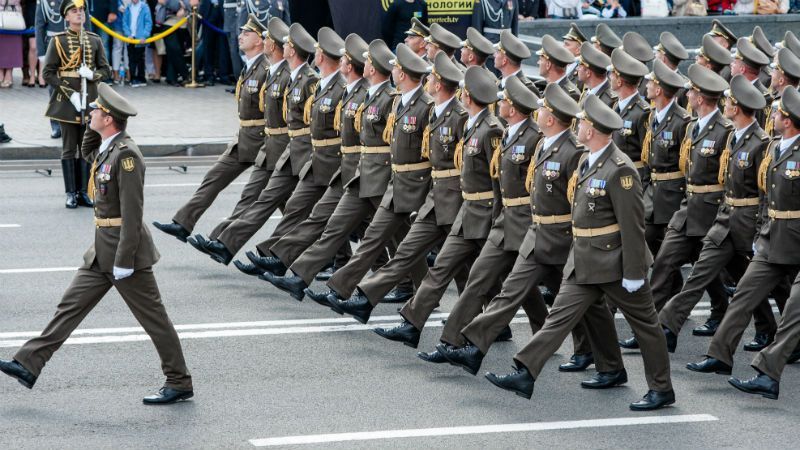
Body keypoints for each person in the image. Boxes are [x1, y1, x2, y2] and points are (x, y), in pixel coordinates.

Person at [0, 83, 194, 404]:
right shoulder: (108, 148)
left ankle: (179, 380)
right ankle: (28, 363)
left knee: (154, 319)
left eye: (96, 111)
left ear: (109, 119)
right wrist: (89, 122)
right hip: (100, 251)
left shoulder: (127, 156)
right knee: (69, 307)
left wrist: (124, 258)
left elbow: (133, 213)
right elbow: (86, 150)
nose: (90, 112)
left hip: (124, 253)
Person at [485, 94, 675, 412]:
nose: (580, 126)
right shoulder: (590, 158)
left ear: (595, 129)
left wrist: (632, 273)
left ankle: (661, 388)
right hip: (585, 258)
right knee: (557, 319)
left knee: (646, 326)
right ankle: (526, 372)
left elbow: (633, 226)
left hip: (616, 264)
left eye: (584, 122)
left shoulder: (620, 170)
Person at [433, 82, 584, 375]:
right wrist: (496, 218)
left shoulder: (545, 142)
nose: (498, 102)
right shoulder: (520, 137)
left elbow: (567, 198)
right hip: (509, 222)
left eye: (504, 100)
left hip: (546, 229)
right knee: (488, 279)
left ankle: (595, 353)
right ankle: (455, 342)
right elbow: (500, 183)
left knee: (574, 295)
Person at [338, 65, 502, 329]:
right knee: (409, 253)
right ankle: (366, 299)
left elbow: (486, 175)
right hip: (435, 199)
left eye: (433, 78)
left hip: (462, 203)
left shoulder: (465, 118)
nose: (428, 81)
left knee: (472, 270)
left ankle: (496, 322)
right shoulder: (440, 113)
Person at [194, 26, 347, 268]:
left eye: (286, 44)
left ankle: (337, 261)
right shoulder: (298, 79)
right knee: (291, 206)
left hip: (315, 154)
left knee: (348, 218)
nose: (280, 45)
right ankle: (255, 252)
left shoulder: (312, 81)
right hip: (291, 149)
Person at [686, 85, 800, 377]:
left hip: (796, 238)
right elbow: (767, 194)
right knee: (744, 295)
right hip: (772, 236)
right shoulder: (775, 146)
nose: (771, 115)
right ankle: (720, 355)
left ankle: (771, 369)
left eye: (777, 113)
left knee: (792, 310)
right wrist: (761, 229)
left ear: (788, 121)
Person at [658, 75, 774, 351]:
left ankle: (771, 330)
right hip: (725, 220)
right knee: (700, 273)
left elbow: (764, 193)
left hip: (748, 223)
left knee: (768, 284)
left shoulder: (760, 142)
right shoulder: (734, 136)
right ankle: (667, 327)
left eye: (731, 103)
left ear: (738, 108)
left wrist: (761, 232)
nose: (727, 106)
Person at [153, 15, 271, 244]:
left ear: (259, 41)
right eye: (242, 32)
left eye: (247, 34)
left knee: (277, 199)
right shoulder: (249, 67)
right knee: (214, 177)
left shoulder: (266, 69)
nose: (240, 36)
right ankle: (183, 223)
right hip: (245, 139)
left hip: (263, 142)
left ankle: (221, 241)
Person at [43, 0, 111, 209]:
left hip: (89, 101)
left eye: (81, 10)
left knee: (86, 148)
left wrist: (92, 75)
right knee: (68, 149)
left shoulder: (94, 40)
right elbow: (48, 73)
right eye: (74, 11)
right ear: (66, 16)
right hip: (67, 103)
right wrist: (70, 93)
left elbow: (105, 70)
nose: (79, 14)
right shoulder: (58, 41)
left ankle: (83, 192)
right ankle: (70, 193)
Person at [123, 0, 152, 87]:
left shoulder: (145, 7)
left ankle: (141, 78)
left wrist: (145, 35)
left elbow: (148, 22)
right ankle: (133, 78)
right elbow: (125, 23)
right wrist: (128, 34)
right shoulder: (128, 8)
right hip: (130, 38)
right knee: (131, 59)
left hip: (141, 38)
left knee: (140, 58)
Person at [0, 0, 23, 88]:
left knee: (13, 45)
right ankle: (0, 71)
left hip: (14, 14)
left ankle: (9, 72)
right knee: (1, 45)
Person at [22, 0, 40, 87]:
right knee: (30, 46)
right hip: (30, 11)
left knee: (43, 46)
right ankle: (28, 75)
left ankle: (41, 75)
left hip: (47, 11)